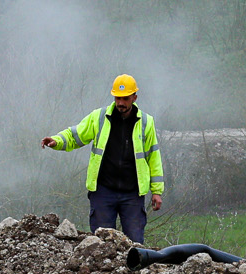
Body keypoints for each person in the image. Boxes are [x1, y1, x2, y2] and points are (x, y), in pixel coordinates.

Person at [42, 75, 164, 243]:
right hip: (103, 192)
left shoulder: (146, 122)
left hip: (132, 194)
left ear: (134, 98)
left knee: (135, 244)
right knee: (101, 244)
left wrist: (156, 191)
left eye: (125, 98)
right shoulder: (99, 117)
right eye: (117, 98)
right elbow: (76, 134)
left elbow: (153, 157)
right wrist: (57, 141)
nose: (120, 103)